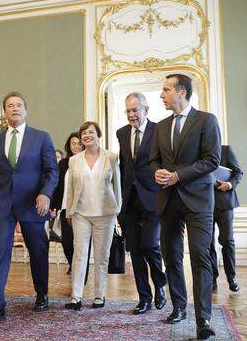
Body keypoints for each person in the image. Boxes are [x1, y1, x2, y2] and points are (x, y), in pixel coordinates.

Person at [149, 74, 221, 340]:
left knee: (200, 256)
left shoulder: (206, 120)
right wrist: (157, 173)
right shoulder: (160, 126)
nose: (162, 95)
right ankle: (179, 307)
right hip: (167, 199)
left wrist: (178, 175)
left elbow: (211, 160)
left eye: (166, 90)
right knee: (171, 256)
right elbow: (154, 161)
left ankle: (203, 319)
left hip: (199, 199)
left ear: (182, 92)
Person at [0, 92, 58, 325]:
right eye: (9, 105)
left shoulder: (41, 137)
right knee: (0, 254)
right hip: (2, 206)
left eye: (18, 105)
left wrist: (45, 193)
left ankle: (42, 294)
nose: (14, 108)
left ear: (25, 111)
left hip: (32, 204)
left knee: (38, 252)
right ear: (4, 112)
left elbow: (52, 171)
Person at [116, 92, 168, 315]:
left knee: (149, 245)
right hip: (129, 201)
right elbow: (124, 166)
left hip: (152, 198)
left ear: (146, 110)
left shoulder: (159, 130)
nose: (131, 115)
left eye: (135, 110)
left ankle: (160, 284)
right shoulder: (121, 133)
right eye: (127, 111)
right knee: (135, 251)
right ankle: (144, 298)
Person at [63, 121, 120, 311]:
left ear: (98, 135)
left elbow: (117, 186)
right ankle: (76, 296)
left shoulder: (111, 157)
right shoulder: (74, 160)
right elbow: (70, 188)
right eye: (83, 133)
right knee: (79, 255)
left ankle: (99, 295)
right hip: (80, 214)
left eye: (91, 132)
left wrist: (117, 209)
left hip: (105, 214)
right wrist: (69, 211)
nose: (87, 135)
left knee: (102, 256)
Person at [50, 132, 85, 274]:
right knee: (67, 243)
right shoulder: (64, 163)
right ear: (69, 146)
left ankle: (82, 273)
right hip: (66, 209)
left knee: (82, 245)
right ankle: (74, 266)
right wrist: (53, 205)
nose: (76, 146)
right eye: (73, 143)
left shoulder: (87, 161)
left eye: (79, 143)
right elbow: (58, 186)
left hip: (83, 209)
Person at [210, 144, 243, 292]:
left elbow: (238, 172)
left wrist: (229, 184)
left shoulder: (226, 150)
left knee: (227, 241)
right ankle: (212, 279)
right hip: (204, 205)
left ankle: (232, 278)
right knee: (207, 244)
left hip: (225, 204)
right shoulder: (197, 152)